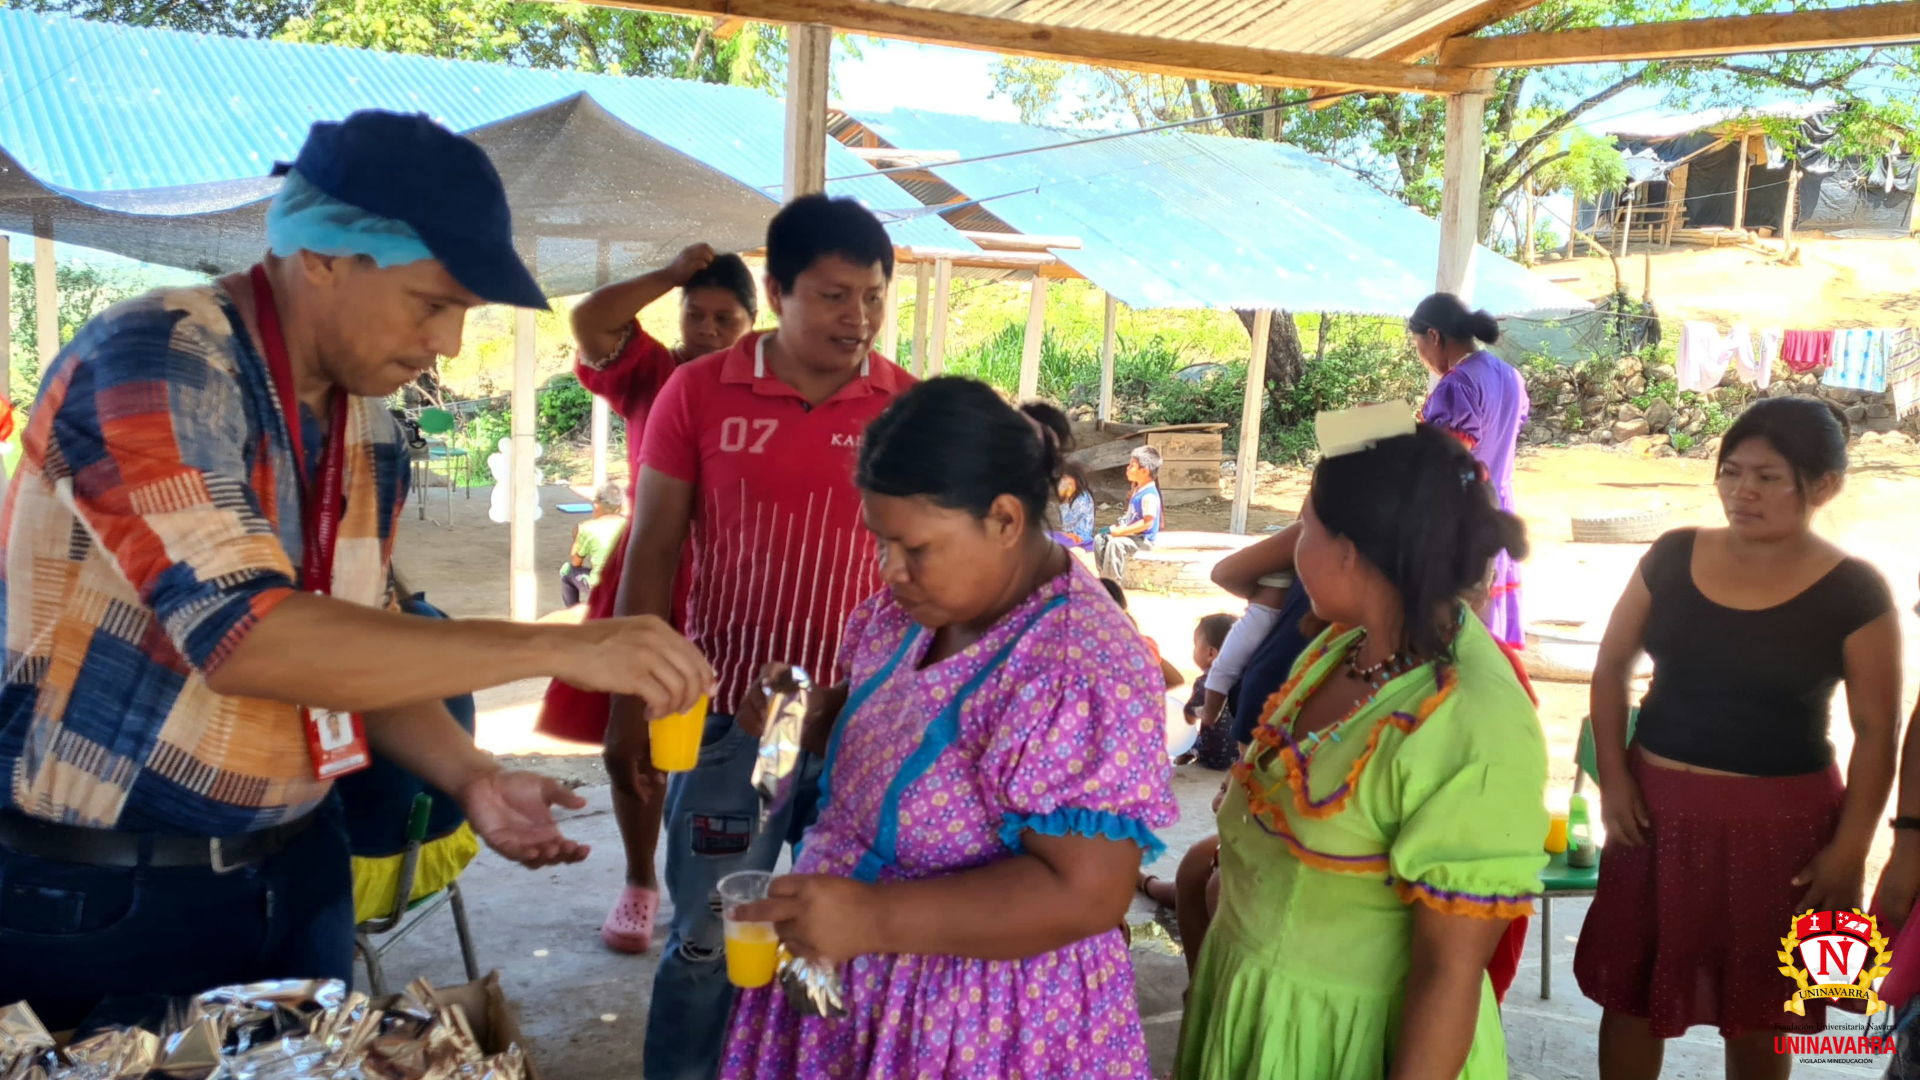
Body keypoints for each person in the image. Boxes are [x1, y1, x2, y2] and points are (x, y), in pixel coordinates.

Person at [0, 111, 711, 1030]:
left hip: (296, 866)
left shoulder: (364, 421)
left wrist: (468, 773)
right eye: (433, 302)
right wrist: (559, 646)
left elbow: (357, 642)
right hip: (107, 890)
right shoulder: (157, 358)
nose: (449, 344)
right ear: (323, 258)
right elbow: (249, 639)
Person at [721, 376, 1179, 1078]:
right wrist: (804, 715)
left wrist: (874, 919)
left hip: (981, 1022)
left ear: (1004, 520)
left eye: (914, 548)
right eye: (881, 543)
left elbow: (1086, 894)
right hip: (852, 967)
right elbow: (896, 723)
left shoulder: (1076, 667)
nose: (890, 571)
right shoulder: (918, 607)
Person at [608, 194, 915, 1079]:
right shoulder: (699, 392)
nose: (858, 318)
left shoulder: (905, 406)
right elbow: (654, 548)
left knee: (837, 944)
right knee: (708, 943)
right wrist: (630, 704)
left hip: (859, 725)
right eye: (833, 295)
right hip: (731, 721)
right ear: (777, 293)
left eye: (873, 296)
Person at [1176, 416, 1547, 1080]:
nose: (1296, 551)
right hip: (1258, 1006)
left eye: (1305, 530)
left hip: (1340, 1042)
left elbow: (1448, 975)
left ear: (1348, 551)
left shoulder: (1473, 717)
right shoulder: (1344, 646)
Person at [1575, 397, 1899, 1078]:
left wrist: (1849, 851)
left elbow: (1877, 732)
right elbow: (1610, 666)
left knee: (1762, 1008)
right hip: (1653, 816)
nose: (1742, 491)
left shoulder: (1855, 592)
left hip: (1782, 832)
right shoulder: (1672, 556)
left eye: (1768, 477)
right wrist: (1614, 777)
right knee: (1632, 992)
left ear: (1823, 486)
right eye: (1731, 471)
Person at [535, 245, 758, 950]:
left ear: (752, 324)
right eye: (697, 315)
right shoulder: (653, 373)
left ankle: (710, 886)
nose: (709, 329)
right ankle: (638, 882)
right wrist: (666, 274)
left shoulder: (764, 388)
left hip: (733, 579)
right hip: (646, 576)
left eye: (726, 319)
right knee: (629, 741)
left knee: (719, 744)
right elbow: (589, 321)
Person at [1411, 292, 1530, 647]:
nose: (1421, 357)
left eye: (1418, 345)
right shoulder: (1510, 376)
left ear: (1434, 336)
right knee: (1488, 625)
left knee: (1457, 631)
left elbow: (1447, 455)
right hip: (1500, 503)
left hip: (1461, 514)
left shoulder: (1458, 384)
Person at [1097, 445, 1162, 580]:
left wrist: (1121, 532)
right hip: (1132, 535)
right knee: (1100, 538)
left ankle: (1113, 582)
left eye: (1132, 466)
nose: (1127, 468)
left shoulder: (1148, 495)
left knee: (1115, 544)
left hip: (1143, 540)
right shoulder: (1137, 490)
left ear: (1144, 471)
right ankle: (1103, 576)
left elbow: (1147, 523)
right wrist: (1117, 528)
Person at [560, 482, 628, 609]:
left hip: (599, 586)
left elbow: (576, 562)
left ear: (597, 505)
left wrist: (577, 539)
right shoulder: (629, 525)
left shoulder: (587, 528)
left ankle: (574, 610)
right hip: (625, 586)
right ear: (620, 507)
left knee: (566, 570)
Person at [1187, 613, 1239, 771]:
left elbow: (1189, 718)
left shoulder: (1205, 682)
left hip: (1214, 757)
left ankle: (1184, 758)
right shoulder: (1246, 679)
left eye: (1195, 645)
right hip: (1241, 755)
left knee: (1190, 742)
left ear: (1211, 653)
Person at [1053, 461, 1096, 554]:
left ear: (1075, 479)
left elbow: (1067, 522)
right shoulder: (1072, 496)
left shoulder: (1082, 497)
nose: (1062, 481)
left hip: (1080, 538)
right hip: (1070, 536)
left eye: (1065, 478)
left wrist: (1065, 501)